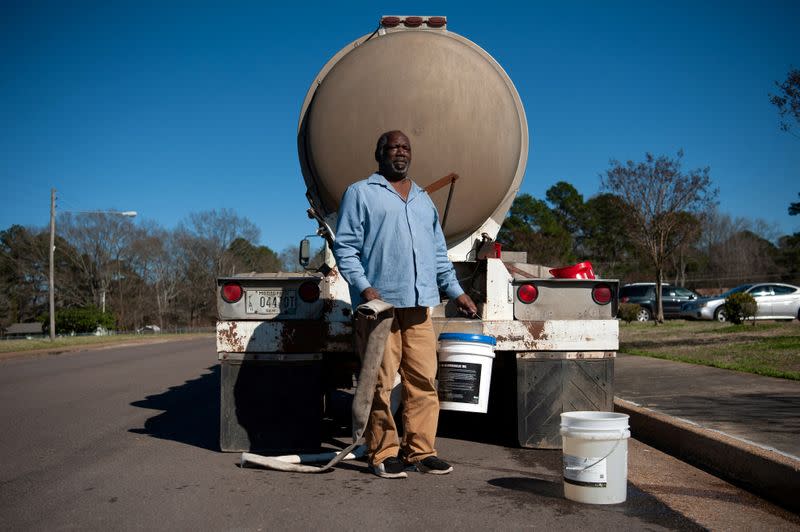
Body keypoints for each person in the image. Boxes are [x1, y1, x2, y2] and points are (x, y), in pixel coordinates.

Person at [333, 130, 478, 479]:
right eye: (393, 147)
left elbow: (439, 255)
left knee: (424, 379)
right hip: (381, 309)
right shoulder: (361, 193)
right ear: (379, 153)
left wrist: (457, 291)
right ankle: (383, 451)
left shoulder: (423, 199)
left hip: (420, 307)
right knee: (380, 382)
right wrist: (365, 288)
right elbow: (346, 248)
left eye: (406, 148)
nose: (401, 152)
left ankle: (421, 451)